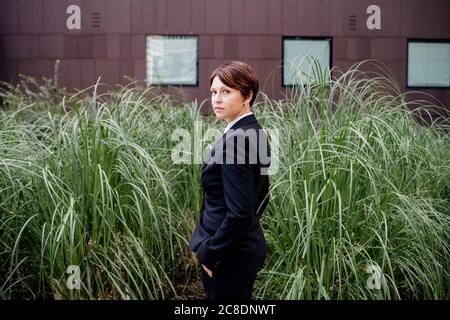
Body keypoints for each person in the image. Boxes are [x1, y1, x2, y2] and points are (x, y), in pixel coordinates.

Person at [188, 61, 271, 300]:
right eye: (214, 92)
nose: (217, 99)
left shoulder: (237, 140)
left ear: (247, 95)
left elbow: (240, 213)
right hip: (239, 249)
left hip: (228, 256)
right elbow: (262, 195)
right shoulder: (253, 132)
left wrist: (210, 253)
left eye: (226, 91)